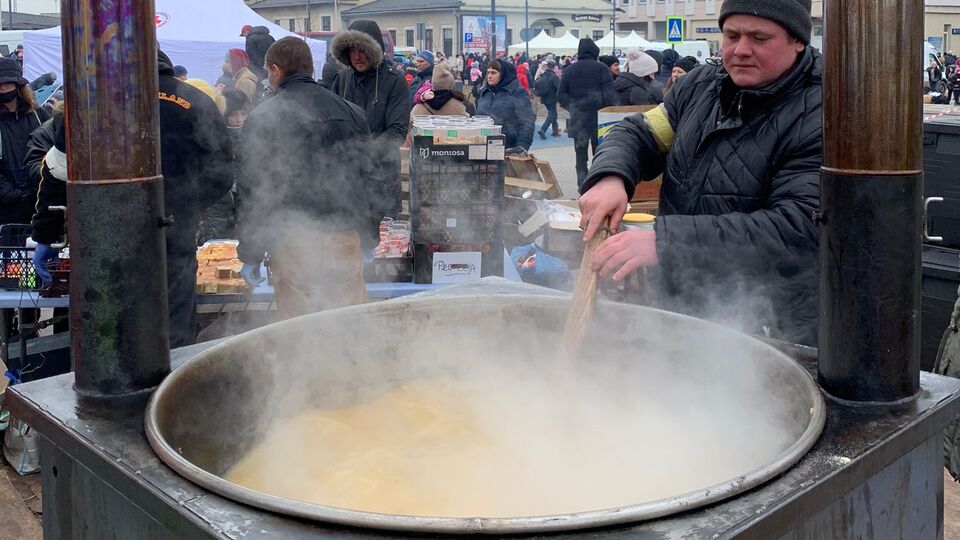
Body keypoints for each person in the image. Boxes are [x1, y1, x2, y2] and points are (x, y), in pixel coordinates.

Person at [579, 0, 821, 346]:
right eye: (731, 35)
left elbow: (795, 228)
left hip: (769, 328)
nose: (741, 50)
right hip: (683, 306)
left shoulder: (823, 109)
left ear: (798, 40)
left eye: (759, 38)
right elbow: (640, 133)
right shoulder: (701, 86)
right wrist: (611, 176)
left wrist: (666, 242)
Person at [31, 50, 232, 348]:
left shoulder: (88, 102)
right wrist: (184, 206)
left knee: (112, 334)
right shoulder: (196, 102)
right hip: (172, 236)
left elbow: (58, 173)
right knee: (173, 331)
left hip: (105, 240)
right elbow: (222, 173)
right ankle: (171, 392)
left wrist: (46, 233)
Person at [237, 37, 374, 318]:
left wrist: (251, 252)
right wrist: (368, 234)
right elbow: (368, 177)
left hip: (292, 245)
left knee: (300, 332)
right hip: (343, 237)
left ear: (276, 70)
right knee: (350, 327)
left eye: (267, 71)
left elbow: (254, 192)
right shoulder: (353, 113)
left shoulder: (263, 118)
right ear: (310, 69)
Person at [330, 20, 410, 218]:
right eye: (352, 50)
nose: (357, 56)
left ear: (375, 50)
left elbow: (397, 131)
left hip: (382, 180)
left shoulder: (394, 80)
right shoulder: (342, 79)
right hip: (346, 182)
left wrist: (363, 153)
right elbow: (331, 121)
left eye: (363, 50)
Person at [558, 38, 615, 186]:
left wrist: (574, 107)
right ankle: (598, 184)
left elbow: (561, 96)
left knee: (580, 155)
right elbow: (610, 95)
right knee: (600, 153)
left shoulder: (569, 69)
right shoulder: (602, 68)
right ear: (595, 52)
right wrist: (599, 106)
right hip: (599, 119)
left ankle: (582, 185)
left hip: (577, 120)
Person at [0, 57, 47, 227]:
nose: (3, 88)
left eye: (8, 83)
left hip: (40, 200)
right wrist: (15, 195)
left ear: (18, 85)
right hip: (8, 208)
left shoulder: (38, 115)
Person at [475, 60, 535, 151]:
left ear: (504, 74)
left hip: (507, 147)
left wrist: (522, 148)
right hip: (481, 144)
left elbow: (527, 123)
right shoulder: (485, 91)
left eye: (493, 73)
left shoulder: (517, 92)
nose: (489, 76)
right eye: (488, 72)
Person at [533, 60, 560, 139]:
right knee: (552, 114)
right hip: (552, 98)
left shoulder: (543, 76)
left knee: (553, 114)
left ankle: (555, 131)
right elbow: (558, 88)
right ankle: (543, 129)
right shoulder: (554, 77)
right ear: (554, 67)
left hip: (544, 98)